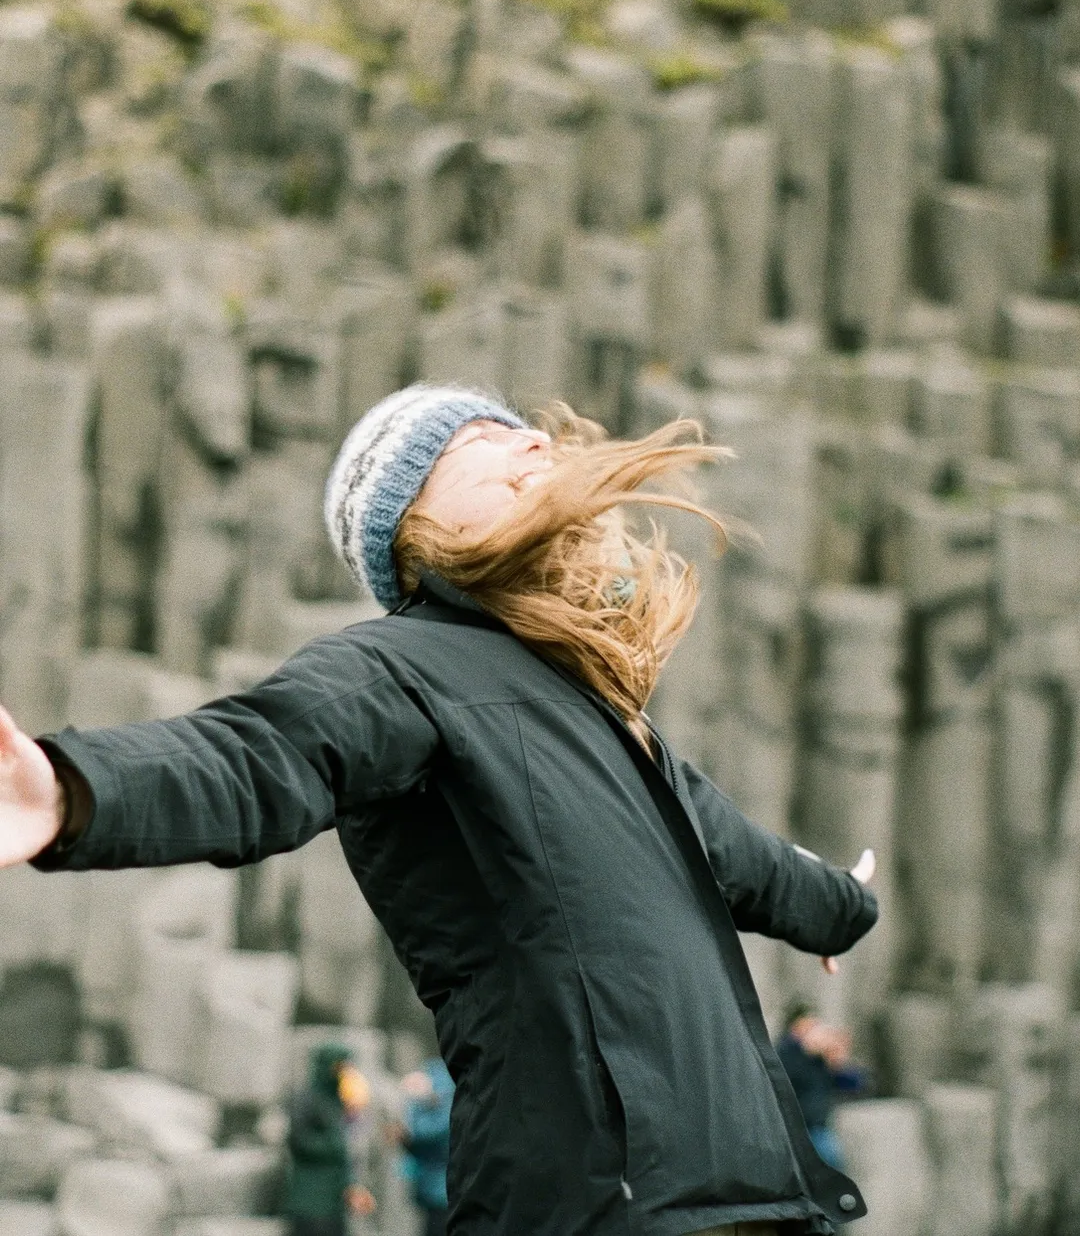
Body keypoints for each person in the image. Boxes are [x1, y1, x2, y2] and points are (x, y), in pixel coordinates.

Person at [0, 383, 879, 1236]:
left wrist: (844, 906)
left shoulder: (611, 717)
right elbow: (257, 753)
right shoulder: (399, 669)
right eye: (478, 442)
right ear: (407, 522)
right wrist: (70, 789)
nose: (533, 442)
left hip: (752, 1196)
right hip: (591, 1202)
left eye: (524, 431)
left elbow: (753, 863)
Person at [284, 1043, 376, 1236]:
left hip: (335, 1200)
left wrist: (352, 1184)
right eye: (340, 1067)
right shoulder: (306, 1098)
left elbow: (349, 1150)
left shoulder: (340, 1100)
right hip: (310, 1199)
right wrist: (337, 1143)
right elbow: (299, 1141)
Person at [775, 1003, 868, 1173]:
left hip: (818, 1127)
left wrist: (838, 1060)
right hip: (791, 1130)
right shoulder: (784, 1051)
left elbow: (857, 1085)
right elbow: (784, 1076)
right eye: (809, 1025)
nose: (814, 1031)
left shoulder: (820, 1059)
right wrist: (804, 1049)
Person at [397, 1059, 454, 1236]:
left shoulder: (445, 1099)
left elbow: (431, 1131)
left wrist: (407, 1135)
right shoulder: (427, 1100)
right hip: (431, 1185)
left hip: (443, 1188)